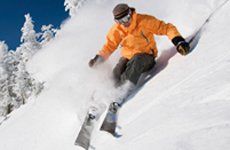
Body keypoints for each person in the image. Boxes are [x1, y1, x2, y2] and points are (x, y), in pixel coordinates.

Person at [89, 3, 190, 88]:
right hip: (127, 57)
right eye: (120, 21)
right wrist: (99, 59)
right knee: (116, 73)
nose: (124, 23)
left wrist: (178, 41)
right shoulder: (117, 30)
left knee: (136, 61)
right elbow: (109, 45)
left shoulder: (144, 21)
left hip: (146, 57)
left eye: (126, 19)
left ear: (130, 14)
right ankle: (105, 94)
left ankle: (122, 90)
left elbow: (166, 28)